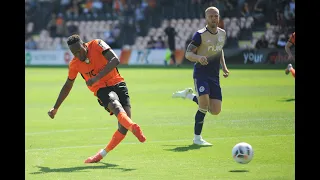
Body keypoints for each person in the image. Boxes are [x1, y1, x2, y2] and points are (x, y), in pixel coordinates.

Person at [47, 34, 146, 163]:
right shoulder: (74, 64)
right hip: (101, 90)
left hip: (117, 83)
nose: (78, 55)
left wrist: (96, 78)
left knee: (123, 127)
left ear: (84, 45)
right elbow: (68, 85)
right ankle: (134, 127)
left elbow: (115, 60)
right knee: (116, 107)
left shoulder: (97, 44)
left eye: (79, 51)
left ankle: (101, 154)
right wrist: (55, 107)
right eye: (74, 53)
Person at [172, 6, 229, 146]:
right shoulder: (200, 34)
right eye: (211, 16)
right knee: (203, 106)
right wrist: (198, 58)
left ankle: (188, 95)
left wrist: (225, 67)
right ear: (206, 18)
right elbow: (188, 54)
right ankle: (197, 138)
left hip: (214, 75)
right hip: (201, 74)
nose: (214, 18)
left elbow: (219, 50)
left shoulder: (222, 34)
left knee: (215, 110)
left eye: (216, 16)